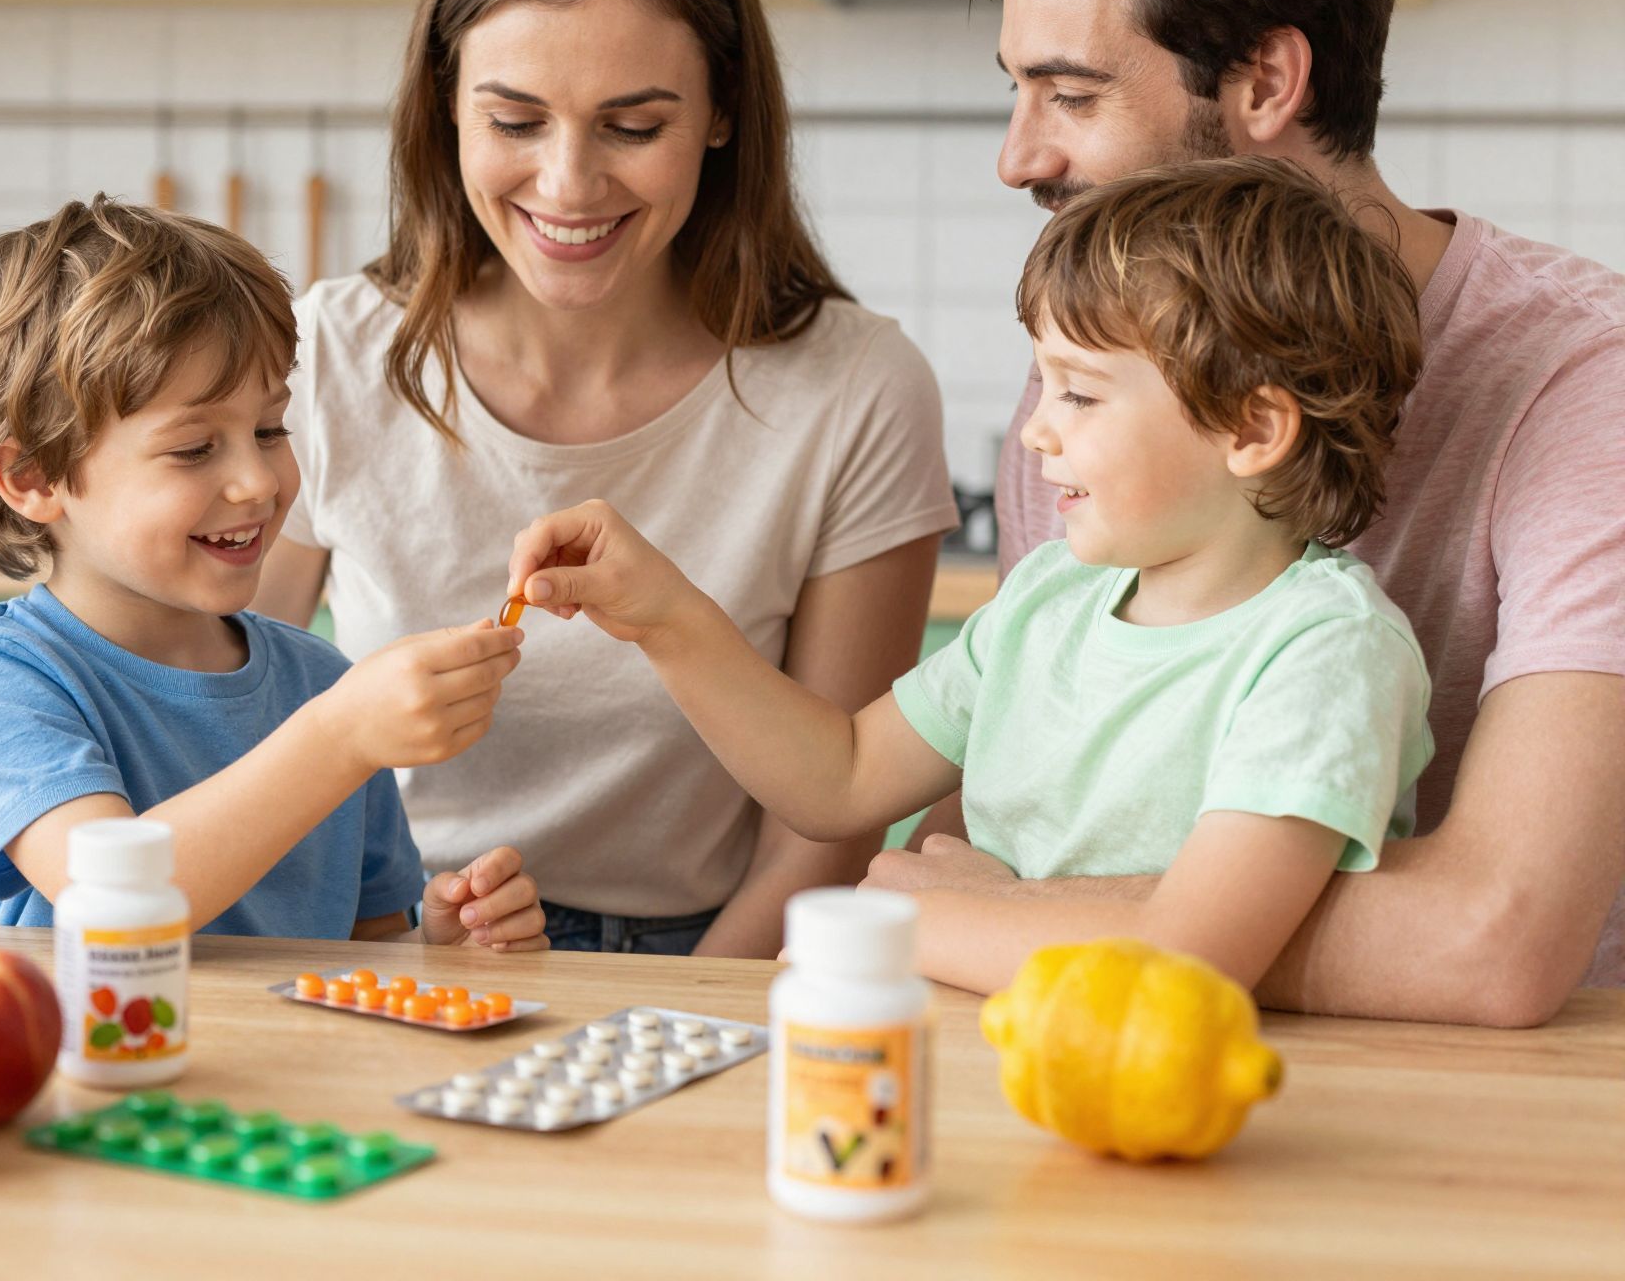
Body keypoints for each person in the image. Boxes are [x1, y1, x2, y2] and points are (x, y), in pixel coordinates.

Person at [882, 0, 1625, 1021]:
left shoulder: (1585, 385)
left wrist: (1006, 919)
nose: (1017, 158)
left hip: (1496, 1103)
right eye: (1016, 92)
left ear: (1266, 81)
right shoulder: (1098, 386)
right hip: (1138, 1055)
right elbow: (1008, 812)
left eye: (1071, 95)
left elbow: (1494, 940)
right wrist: (995, 911)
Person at [252, 0, 956, 958]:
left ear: (722, 110)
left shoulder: (857, 390)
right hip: (390, 940)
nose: (568, 184)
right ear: (445, 105)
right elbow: (224, 737)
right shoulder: (329, 355)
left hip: (712, 959)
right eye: (514, 122)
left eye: (633, 127)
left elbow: (824, 834)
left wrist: (668, 1025)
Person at [504, 158, 1433, 992]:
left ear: (1252, 429)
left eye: (1080, 392)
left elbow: (1190, 959)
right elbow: (840, 777)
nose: (1035, 430)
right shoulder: (1049, 599)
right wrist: (665, 616)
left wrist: (906, 925)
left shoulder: (1325, 653)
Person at [0, 195, 546, 950]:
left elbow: (365, 950)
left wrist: (440, 949)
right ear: (32, 476)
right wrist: (341, 737)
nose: (259, 481)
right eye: (194, 449)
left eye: (270, 429)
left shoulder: (323, 684)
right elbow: (114, 902)